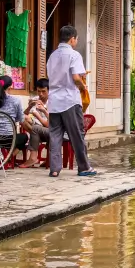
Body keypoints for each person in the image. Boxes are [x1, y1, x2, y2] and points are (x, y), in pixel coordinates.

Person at [46, 25, 96, 177]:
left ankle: (54, 169)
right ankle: (84, 167)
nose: (76, 41)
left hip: (54, 100)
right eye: (76, 39)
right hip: (70, 99)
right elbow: (76, 77)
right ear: (72, 39)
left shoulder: (52, 56)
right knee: (77, 135)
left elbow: (50, 76)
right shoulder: (74, 55)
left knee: (55, 135)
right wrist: (83, 86)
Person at [0, 75, 28, 153]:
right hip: (8, 139)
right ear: (10, 86)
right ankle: (9, 158)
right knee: (24, 137)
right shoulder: (16, 100)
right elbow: (20, 119)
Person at [19, 78, 50, 168]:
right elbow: (24, 114)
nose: (40, 94)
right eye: (38, 91)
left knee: (35, 129)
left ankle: (33, 157)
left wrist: (41, 112)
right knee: (22, 119)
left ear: (49, 90)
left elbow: (48, 125)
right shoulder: (35, 99)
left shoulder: (53, 102)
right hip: (36, 128)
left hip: (48, 129)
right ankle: (36, 138)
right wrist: (29, 107)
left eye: (43, 91)